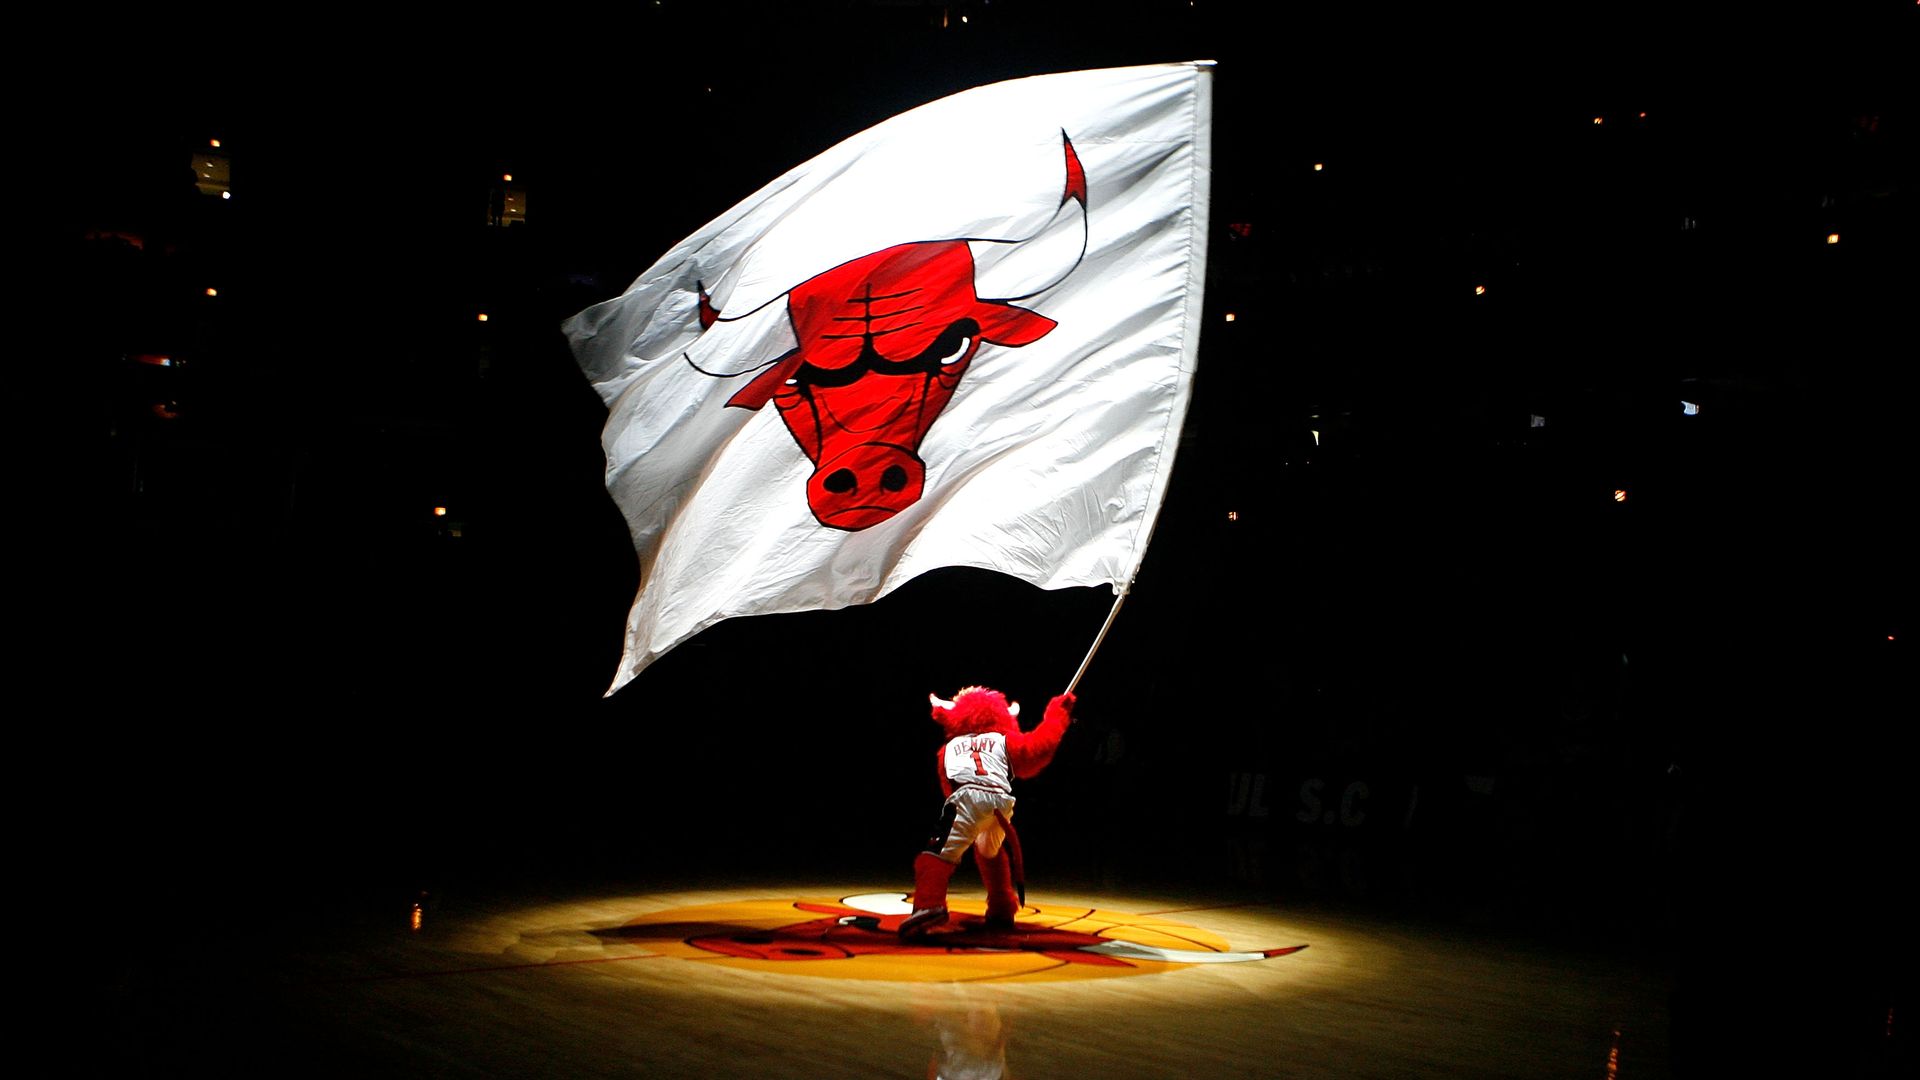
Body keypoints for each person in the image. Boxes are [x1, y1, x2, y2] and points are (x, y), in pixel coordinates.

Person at [899, 685, 1075, 936]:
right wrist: (1057, 715)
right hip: (1001, 806)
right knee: (989, 852)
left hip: (967, 799)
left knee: (935, 855)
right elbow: (1037, 750)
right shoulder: (1005, 740)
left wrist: (964, 824)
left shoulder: (947, 750)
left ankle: (929, 905)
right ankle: (1002, 908)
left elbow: (948, 786)